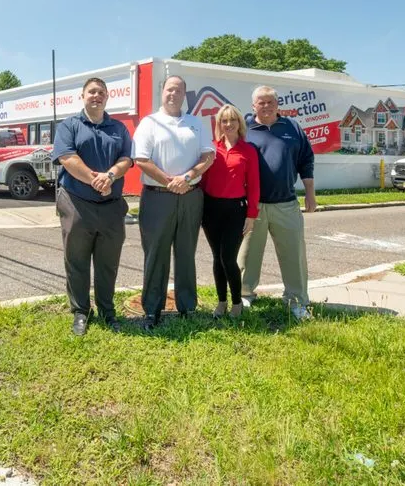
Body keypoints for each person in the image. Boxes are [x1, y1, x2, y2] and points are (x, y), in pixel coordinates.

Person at [51, 78, 134, 336]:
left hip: (111, 205)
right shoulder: (69, 126)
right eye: (92, 92)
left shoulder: (118, 128)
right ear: (83, 96)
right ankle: (80, 312)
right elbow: (67, 157)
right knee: (76, 260)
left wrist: (109, 176)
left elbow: (127, 159)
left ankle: (107, 311)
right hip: (76, 202)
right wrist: (96, 180)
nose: (96, 96)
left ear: (107, 96)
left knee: (108, 262)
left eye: (101, 92)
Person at [133, 75, 215, 330]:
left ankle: (188, 307)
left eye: (178, 90)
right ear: (162, 92)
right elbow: (141, 159)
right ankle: (152, 311)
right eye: (170, 89)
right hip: (158, 197)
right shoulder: (150, 123)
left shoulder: (196, 123)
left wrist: (188, 177)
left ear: (184, 94)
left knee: (186, 253)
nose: (173, 94)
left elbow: (208, 155)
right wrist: (171, 181)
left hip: (191, 196)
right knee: (156, 255)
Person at [239, 85, 316, 321]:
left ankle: (297, 301)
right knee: (247, 255)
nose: (266, 106)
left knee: (294, 254)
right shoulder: (245, 128)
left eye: (270, 102)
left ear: (277, 104)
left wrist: (310, 193)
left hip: (286, 203)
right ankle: (244, 295)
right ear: (253, 105)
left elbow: (306, 160)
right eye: (261, 102)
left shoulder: (292, 127)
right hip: (254, 206)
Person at [200, 104, 260, 319]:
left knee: (228, 257)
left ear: (239, 123)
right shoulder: (211, 149)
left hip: (236, 210)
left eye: (232, 120)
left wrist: (252, 215)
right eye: (224, 121)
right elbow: (203, 180)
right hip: (211, 210)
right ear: (219, 124)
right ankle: (221, 301)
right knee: (217, 257)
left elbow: (254, 185)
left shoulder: (248, 151)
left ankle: (236, 302)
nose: (228, 124)